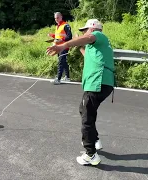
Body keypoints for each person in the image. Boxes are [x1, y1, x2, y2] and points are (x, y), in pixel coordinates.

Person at [46, 19, 116, 166]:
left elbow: (89, 38)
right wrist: (78, 46)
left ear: (92, 29)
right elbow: (88, 55)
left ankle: (90, 154)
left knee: (86, 117)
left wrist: (63, 45)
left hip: (98, 82)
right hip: (100, 83)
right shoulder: (96, 47)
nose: (84, 33)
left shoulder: (98, 35)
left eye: (85, 30)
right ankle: (95, 140)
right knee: (84, 110)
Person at [48, 12, 72, 85]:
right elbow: (59, 36)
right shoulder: (57, 26)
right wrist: (53, 36)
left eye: (57, 17)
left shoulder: (65, 25)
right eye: (55, 18)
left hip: (64, 46)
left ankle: (58, 79)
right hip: (58, 47)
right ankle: (67, 77)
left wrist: (60, 41)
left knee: (61, 62)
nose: (56, 19)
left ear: (61, 17)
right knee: (63, 62)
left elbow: (69, 36)